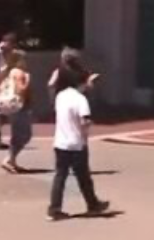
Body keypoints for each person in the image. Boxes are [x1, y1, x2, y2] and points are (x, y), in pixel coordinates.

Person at [47, 68, 110, 221]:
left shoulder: (61, 96)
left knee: (60, 176)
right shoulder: (80, 99)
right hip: (77, 143)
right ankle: (93, 205)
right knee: (84, 177)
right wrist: (86, 132)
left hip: (61, 142)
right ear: (82, 82)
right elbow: (84, 121)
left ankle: (55, 208)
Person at [0, 49, 33, 173]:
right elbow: (20, 90)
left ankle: (12, 160)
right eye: (24, 59)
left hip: (11, 106)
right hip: (19, 106)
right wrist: (27, 80)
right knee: (25, 135)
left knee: (16, 134)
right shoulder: (19, 73)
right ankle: (8, 159)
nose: (26, 62)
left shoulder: (9, 72)